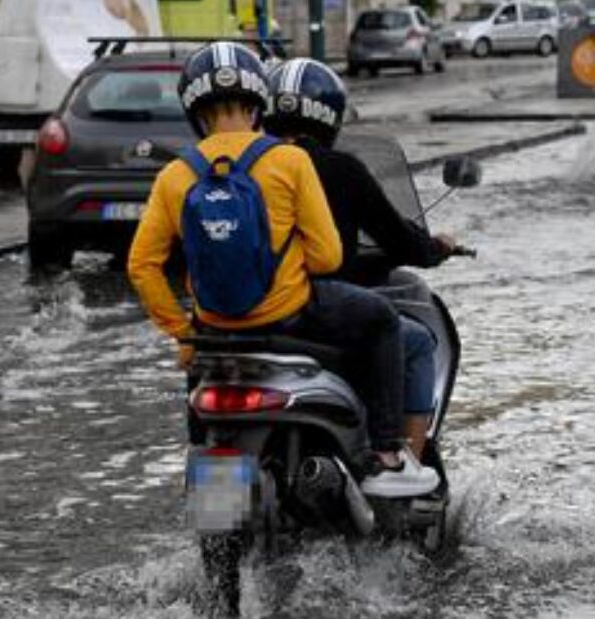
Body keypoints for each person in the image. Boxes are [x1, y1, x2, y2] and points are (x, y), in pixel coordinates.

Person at [126, 42, 439, 497]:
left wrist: (183, 332)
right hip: (290, 313)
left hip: (215, 329)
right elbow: (328, 256)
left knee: (202, 379)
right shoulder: (288, 161)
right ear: (257, 105)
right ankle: (387, 455)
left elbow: (142, 266)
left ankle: (204, 464)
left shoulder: (175, 175)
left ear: (194, 109)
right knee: (382, 318)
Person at [264, 58, 458, 459]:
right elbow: (394, 237)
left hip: (245, 313)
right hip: (309, 308)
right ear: (330, 116)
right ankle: (398, 460)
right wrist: (432, 248)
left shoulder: (248, 166)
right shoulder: (340, 169)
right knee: (418, 342)